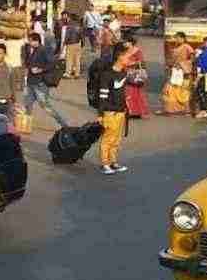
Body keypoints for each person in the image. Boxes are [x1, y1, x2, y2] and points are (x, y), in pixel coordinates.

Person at [88, 42, 130, 175]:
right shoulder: (107, 75)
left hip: (121, 111)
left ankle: (113, 161)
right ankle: (105, 163)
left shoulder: (123, 72)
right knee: (108, 138)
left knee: (117, 139)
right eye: (127, 57)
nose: (129, 59)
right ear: (119, 57)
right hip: (109, 112)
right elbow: (103, 96)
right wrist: (101, 114)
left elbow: (122, 91)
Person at [22, 31, 66, 128]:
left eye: (30, 41)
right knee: (27, 104)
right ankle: (26, 124)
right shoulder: (30, 49)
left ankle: (63, 124)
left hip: (40, 83)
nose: (29, 43)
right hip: (30, 82)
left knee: (46, 106)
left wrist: (40, 69)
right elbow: (28, 63)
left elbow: (51, 64)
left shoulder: (43, 50)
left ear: (36, 41)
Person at [160, 33, 195, 116]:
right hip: (174, 72)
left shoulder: (187, 47)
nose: (177, 40)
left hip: (183, 73)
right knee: (169, 90)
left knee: (183, 92)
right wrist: (169, 66)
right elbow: (172, 59)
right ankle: (170, 110)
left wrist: (182, 65)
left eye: (178, 38)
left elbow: (192, 59)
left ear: (183, 38)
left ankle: (186, 110)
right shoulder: (176, 47)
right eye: (176, 38)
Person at [123, 31, 149, 119]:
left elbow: (141, 62)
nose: (124, 43)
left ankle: (137, 112)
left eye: (125, 42)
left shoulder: (137, 51)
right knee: (128, 93)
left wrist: (130, 63)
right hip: (126, 74)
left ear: (130, 43)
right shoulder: (125, 51)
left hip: (134, 75)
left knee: (136, 94)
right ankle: (130, 111)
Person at [60, 14, 84, 79]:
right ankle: (77, 73)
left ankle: (68, 73)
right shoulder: (79, 26)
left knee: (69, 59)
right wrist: (82, 44)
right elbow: (82, 36)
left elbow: (67, 36)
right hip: (78, 43)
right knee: (77, 59)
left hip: (70, 44)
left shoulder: (69, 26)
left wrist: (64, 44)